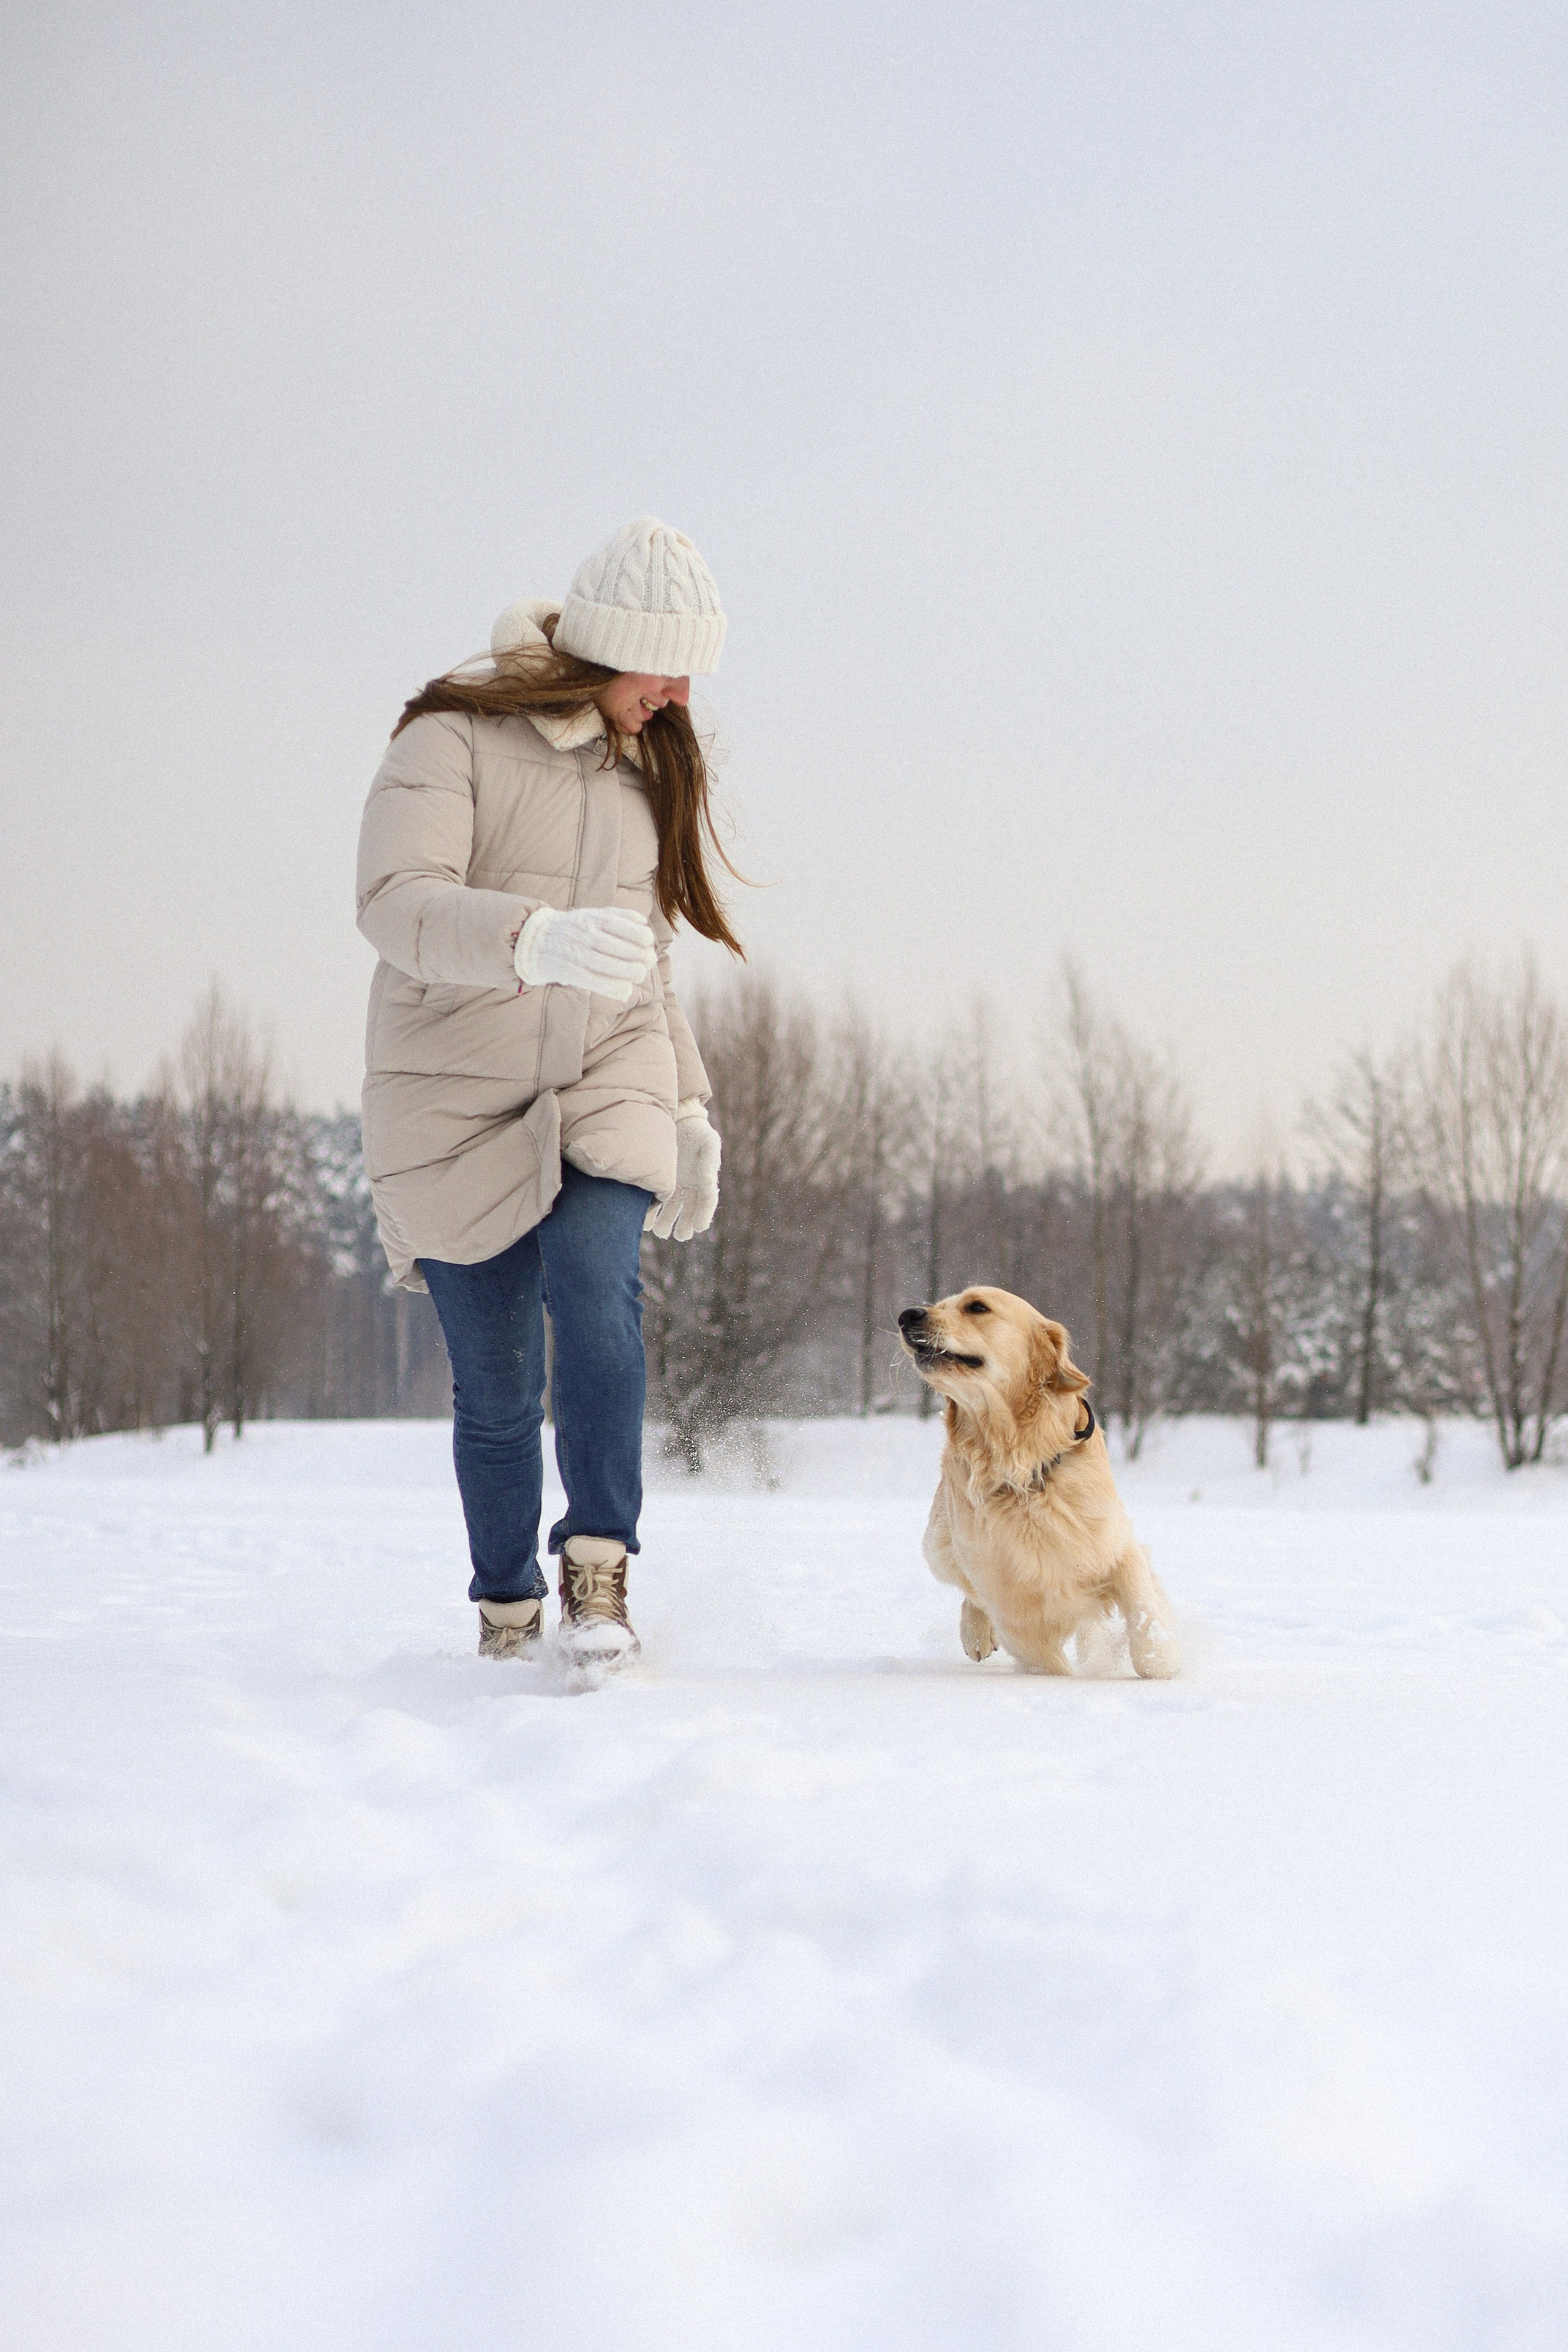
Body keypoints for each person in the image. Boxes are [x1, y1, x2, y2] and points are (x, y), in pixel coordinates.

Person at [355, 516, 740, 1668]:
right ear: (610, 642)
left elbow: (649, 955)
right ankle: (508, 1605)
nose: (677, 694)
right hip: (454, 1089)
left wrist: (686, 1105)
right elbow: (392, 901)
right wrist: (536, 941)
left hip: (604, 1072)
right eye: (664, 663)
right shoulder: (451, 740)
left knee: (597, 1292)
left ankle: (600, 1568)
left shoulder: (643, 764)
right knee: (499, 1392)